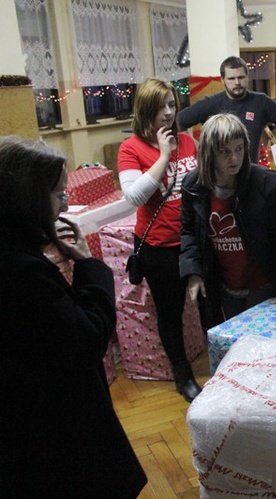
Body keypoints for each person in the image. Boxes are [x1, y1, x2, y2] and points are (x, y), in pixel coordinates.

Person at [0, 136, 147, 497]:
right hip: (54, 431)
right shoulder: (22, 272)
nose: (66, 203)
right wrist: (89, 267)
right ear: (29, 201)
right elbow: (87, 337)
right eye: (59, 194)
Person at [180, 113, 276, 325]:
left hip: (265, 284)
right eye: (224, 152)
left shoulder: (266, 183)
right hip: (224, 284)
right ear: (209, 153)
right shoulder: (193, 185)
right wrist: (193, 272)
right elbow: (189, 232)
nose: (234, 159)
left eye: (239, 149)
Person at [118, 78, 202, 402]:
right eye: (160, 107)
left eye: (172, 105)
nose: (168, 113)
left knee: (207, 304)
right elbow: (134, 197)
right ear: (145, 110)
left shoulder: (188, 140)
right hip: (159, 247)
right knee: (170, 312)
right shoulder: (131, 148)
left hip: (194, 242)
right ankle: (183, 376)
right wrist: (163, 156)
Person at [178, 55, 276, 178]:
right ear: (223, 80)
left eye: (241, 77)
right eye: (231, 78)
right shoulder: (210, 103)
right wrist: (197, 149)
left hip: (250, 175)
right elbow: (179, 121)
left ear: (247, 77)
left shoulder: (261, 102)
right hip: (216, 177)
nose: (237, 82)